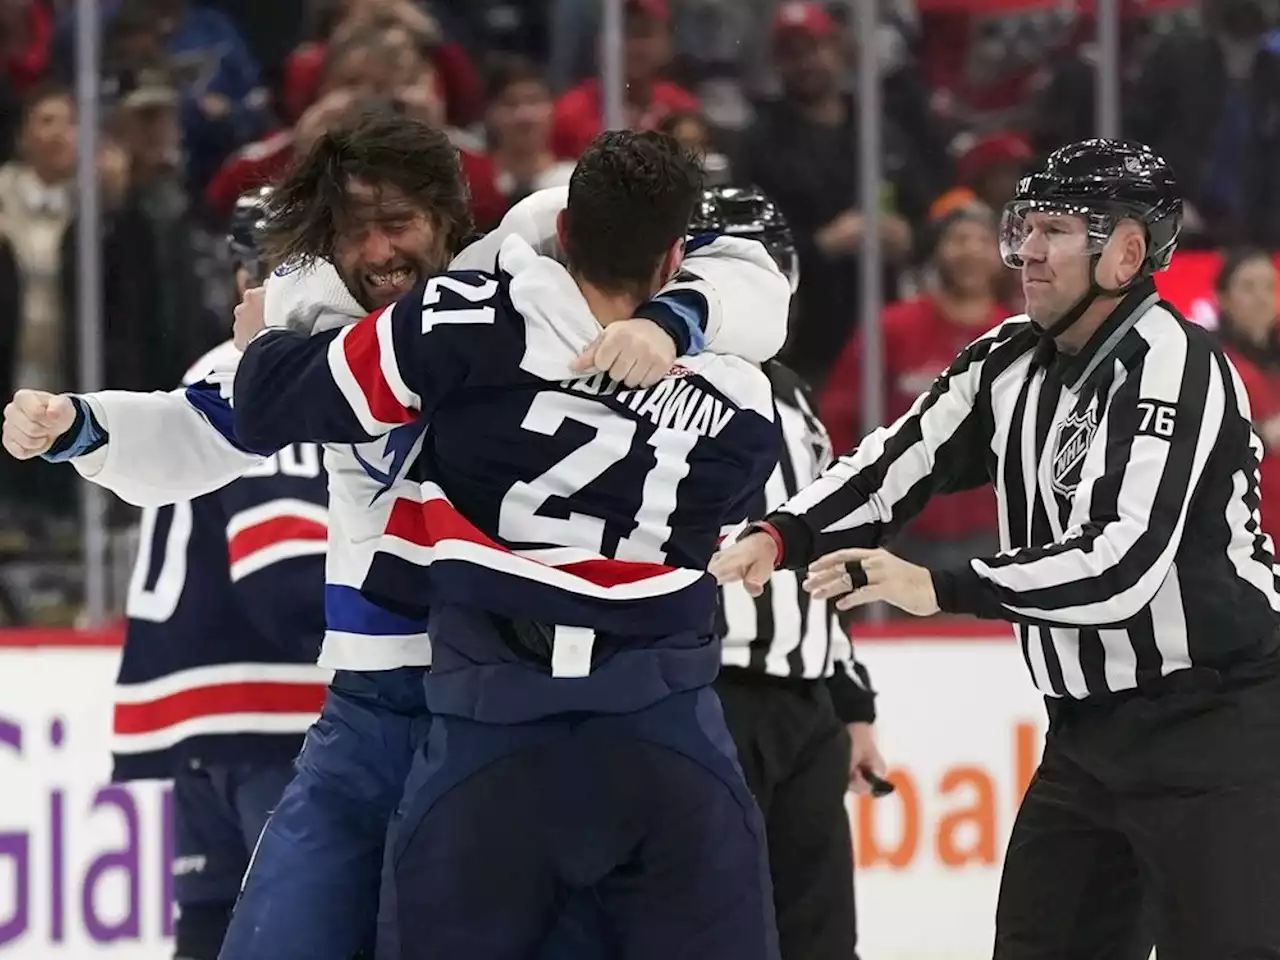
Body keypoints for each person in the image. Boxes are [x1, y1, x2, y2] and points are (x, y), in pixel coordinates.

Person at [2, 107, 789, 960]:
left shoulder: (531, 276)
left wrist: (669, 321)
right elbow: (206, 430)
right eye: (351, 232)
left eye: (397, 225)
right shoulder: (310, 332)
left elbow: (743, 275)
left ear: (450, 219)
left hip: (509, 715)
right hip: (374, 718)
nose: (376, 253)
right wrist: (79, 426)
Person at [712, 138, 1280, 958]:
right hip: (1085, 736)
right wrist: (783, 532)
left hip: (1221, 727)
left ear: (1125, 251)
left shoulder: (1177, 367)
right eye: (1027, 227)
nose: (1027, 253)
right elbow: (893, 463)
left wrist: (937, 588)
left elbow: (1119, 564)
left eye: (1054, 230)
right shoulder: (1004, 360)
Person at [228, 130, 789, 960]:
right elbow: (753, 341)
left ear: (563, 232)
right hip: (664, 737)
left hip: (490, 733)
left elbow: (276, 400)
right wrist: (675, 325)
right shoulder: (739, 394)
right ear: (676, 256)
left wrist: (271, 329)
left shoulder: (459, 326)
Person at [102, 186, 331, 960]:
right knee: (299, 928)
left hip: (195, 705)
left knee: (209, 919)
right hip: (270, 706)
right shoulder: (266, 371)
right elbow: (285, 568)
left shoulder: (211, 366)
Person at [694, 186, 881, 960]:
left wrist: (851, 702)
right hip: (708, 692)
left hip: (805, 710)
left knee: (820, 936)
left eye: (768, 266)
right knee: (711, 928)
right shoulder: (661, 380)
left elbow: (819, 558)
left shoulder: (797, 398)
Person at [1212, 248, 1280, 540]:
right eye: (1249, 287)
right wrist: (1261, 433)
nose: (1262, 297)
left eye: (1270, 286)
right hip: (1241, 533)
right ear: (1224, 298)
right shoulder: (1211, 362)